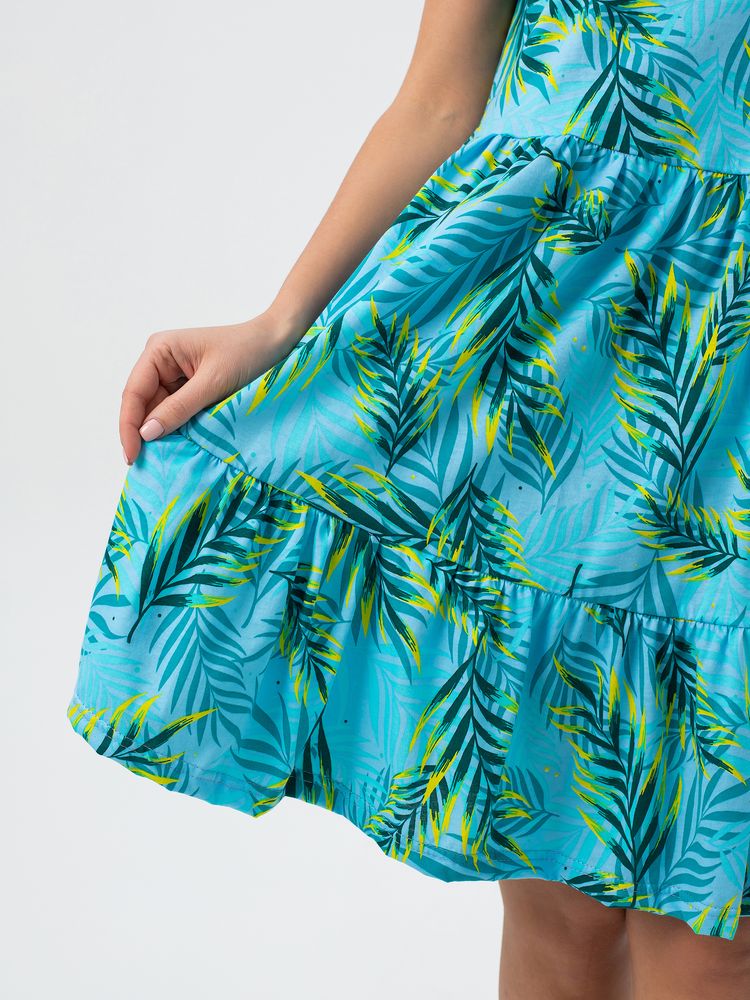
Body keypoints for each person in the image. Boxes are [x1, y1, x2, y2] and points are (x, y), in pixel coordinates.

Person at [68, 0, 750, 996]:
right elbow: (439, 99)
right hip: (534, 363)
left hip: (725, 398)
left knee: (715, 926)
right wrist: (281, 323)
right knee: (562, 902)